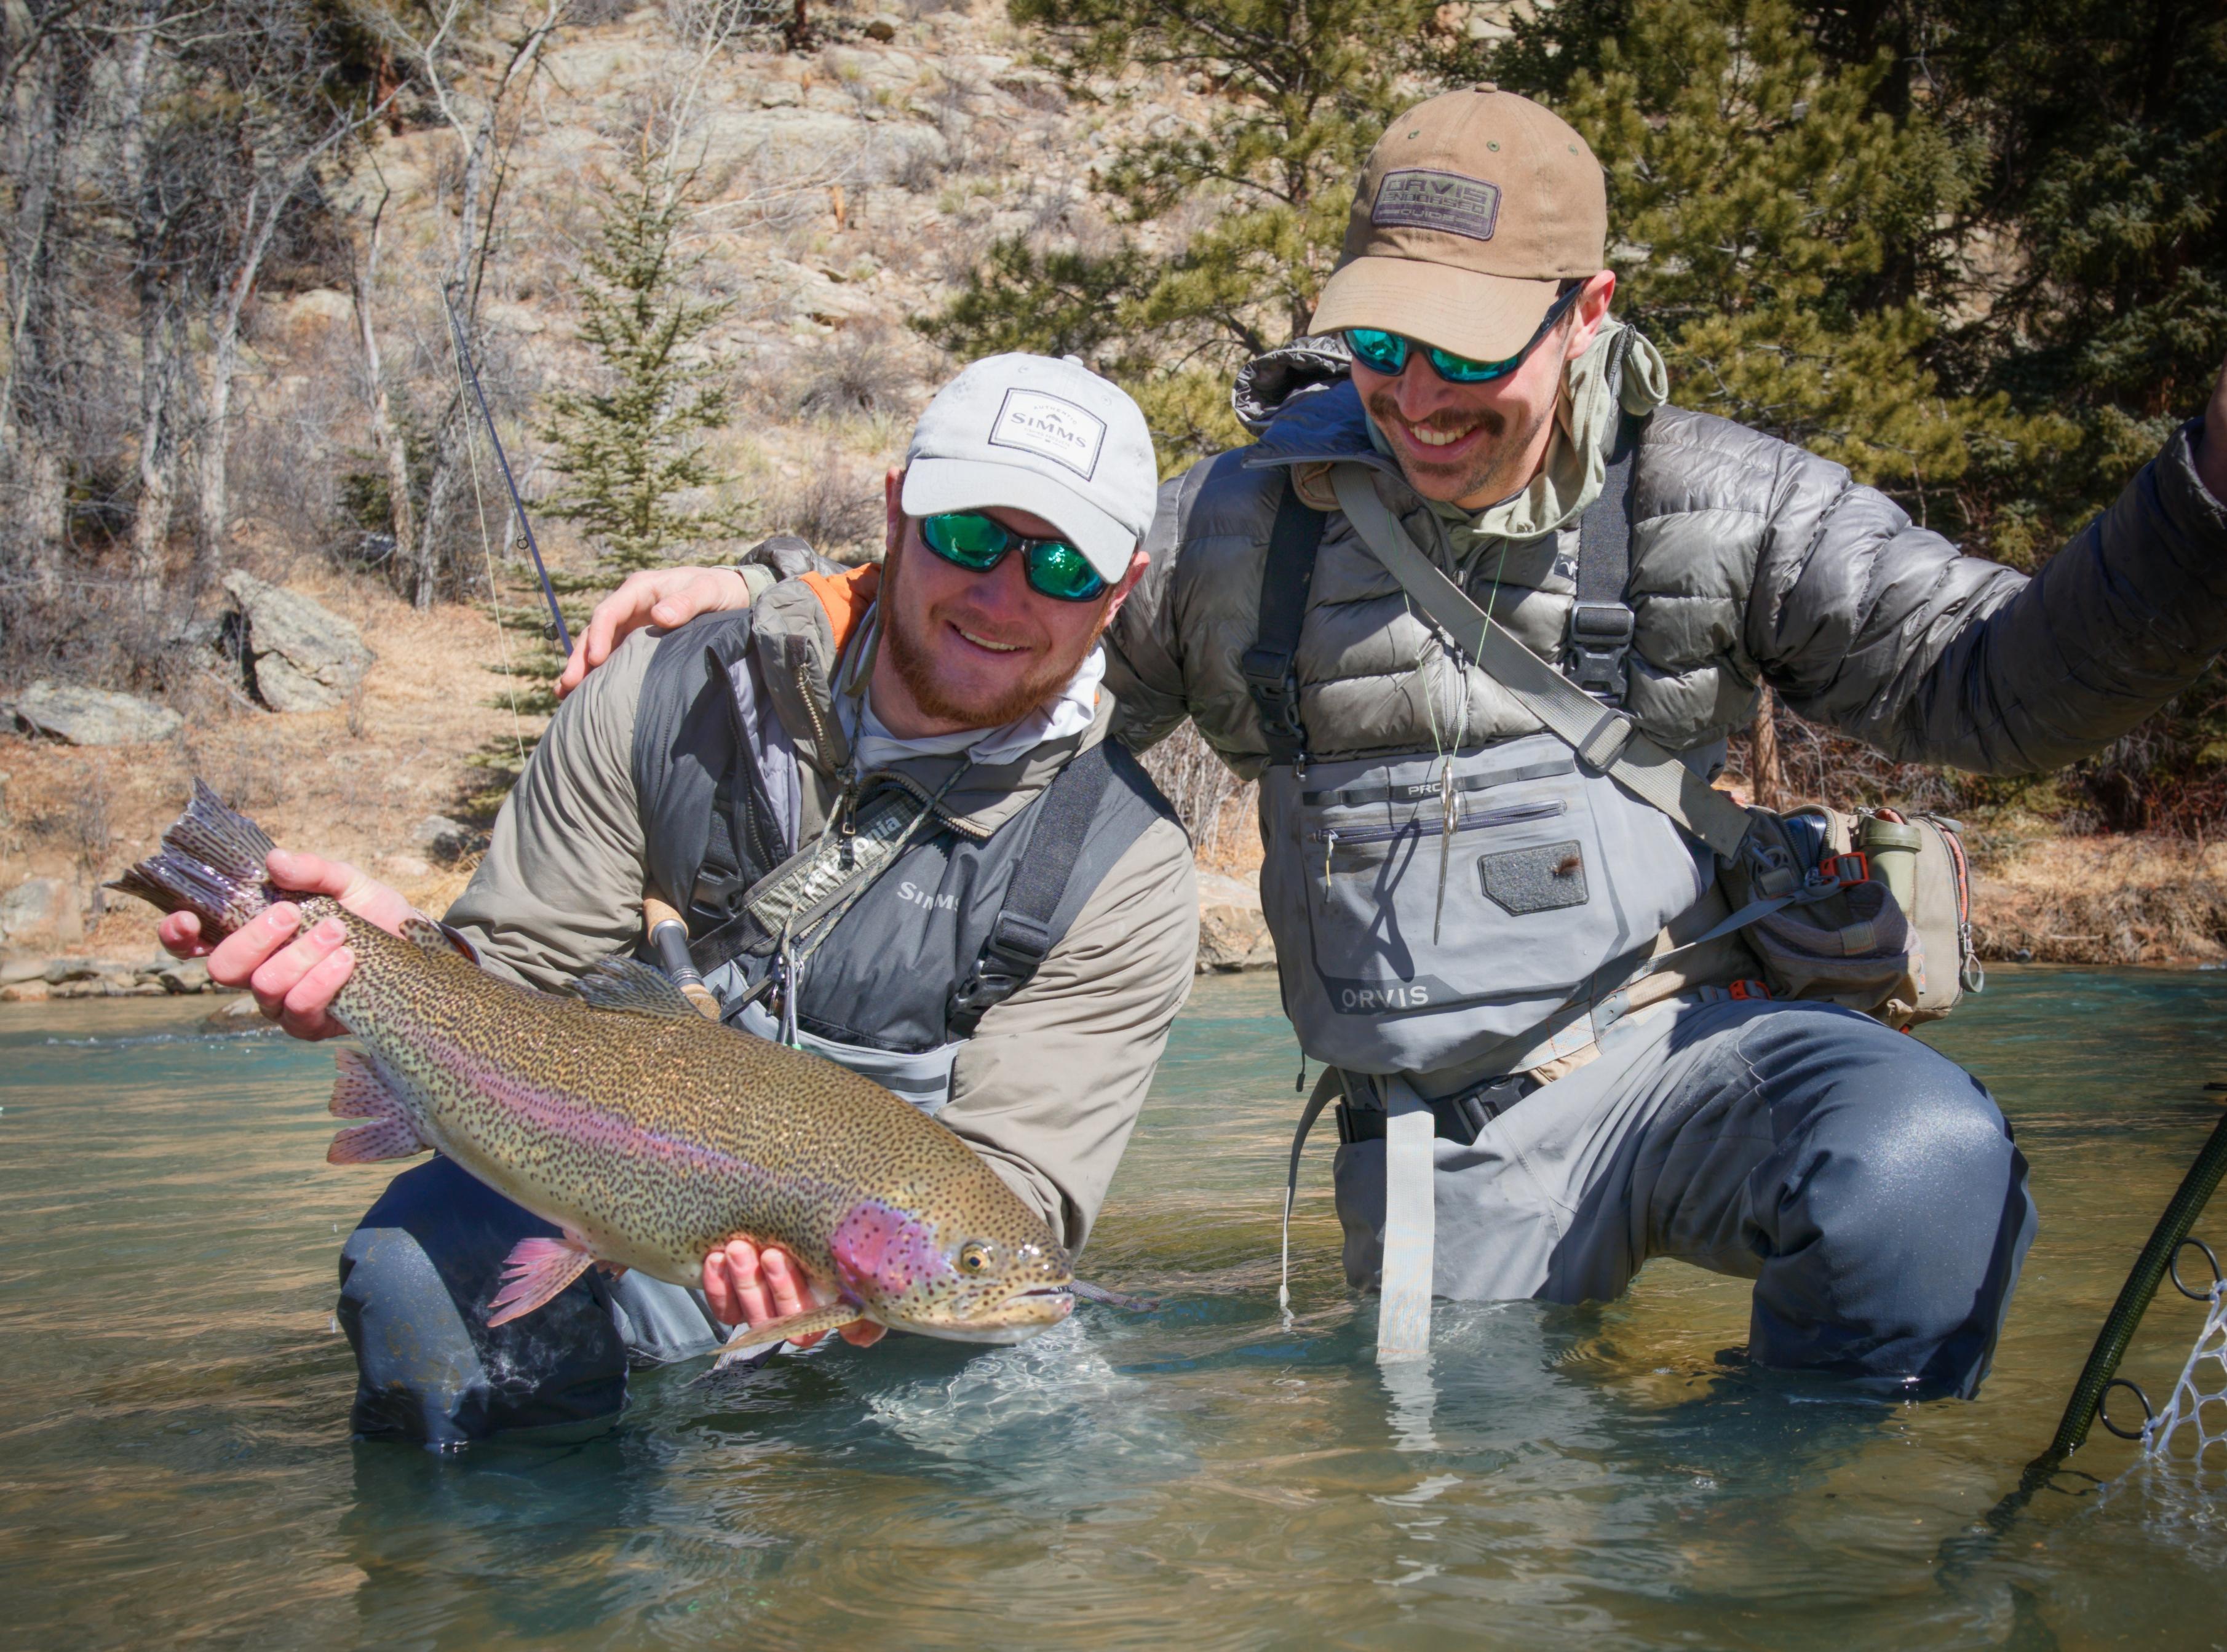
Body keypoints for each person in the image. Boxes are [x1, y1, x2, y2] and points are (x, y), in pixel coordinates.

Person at [582, 89, 2227, 1400]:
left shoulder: (1716, 500)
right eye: (1378, 346)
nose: (1413, 399)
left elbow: (1999, 687)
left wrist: (2201, 494)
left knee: (1924, 1167)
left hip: (1688, 1056)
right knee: (1476, 1540)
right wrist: (787, 595)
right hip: (1429, 1152)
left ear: (1586, 312)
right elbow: (1003, 631)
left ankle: (1765, 1543)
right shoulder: (1235, 532)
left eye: (1463, 353)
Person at [161, 352, 1199, 1445]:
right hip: (620, 1196)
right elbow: (518, 987)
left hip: (906, 1320)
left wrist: (851, 1288)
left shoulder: (1120, 865)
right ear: (896, 515)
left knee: (1033, 1483)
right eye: (970, 537)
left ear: (1120, 588)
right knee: (416, 1280)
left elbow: (1015, 1201)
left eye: (1062, 568)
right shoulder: (662, 693)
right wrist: (392, 968)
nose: (1001, 594)